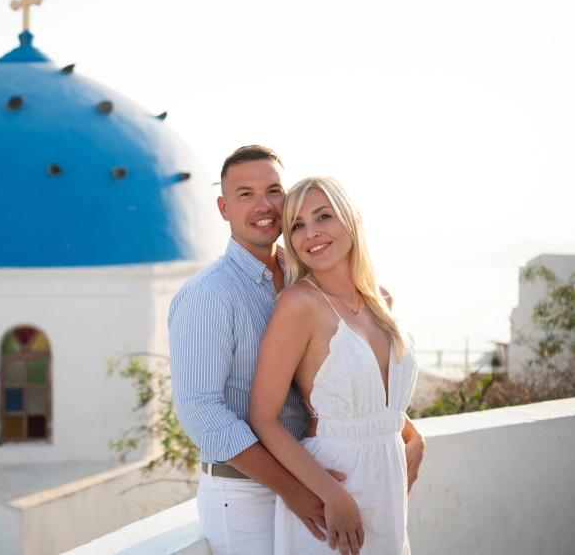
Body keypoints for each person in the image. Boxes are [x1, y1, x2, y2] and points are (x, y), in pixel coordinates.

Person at [170, 146, 425, 554]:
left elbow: (334, 376)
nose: (264, 205)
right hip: (247, 493)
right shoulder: (209, 294)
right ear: (223, 208)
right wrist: (295, 490)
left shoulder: (306, 271)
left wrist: (401, 427)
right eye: (245, 194)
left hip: (320, 477)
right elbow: (201, 411)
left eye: (273, 190)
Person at [248, 176, 422, 555]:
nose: (311, 233)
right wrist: (332, 495)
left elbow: (371, 395)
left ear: (350, 218)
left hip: (387, 487)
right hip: (332, 488)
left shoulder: (382, 301)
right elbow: (263, 418)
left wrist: (411, 433)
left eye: (323, 216)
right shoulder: (299, 304)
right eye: (297, 225)